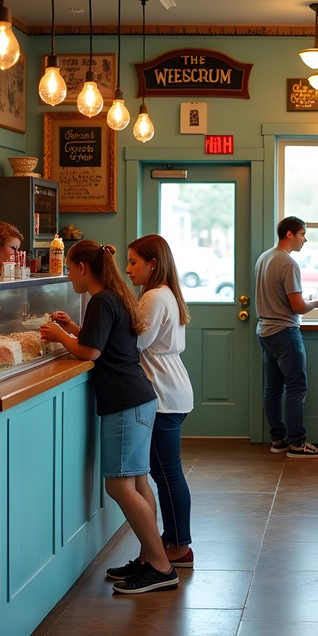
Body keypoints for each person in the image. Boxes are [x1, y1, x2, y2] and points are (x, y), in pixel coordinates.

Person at [39, 240, 177, 595]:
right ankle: (150, 557)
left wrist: (59, 335)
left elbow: (91, 350)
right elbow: (104, 340)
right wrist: (72, 327)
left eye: (70, 268)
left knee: (118, 485)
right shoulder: (116, 296)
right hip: (138, 397)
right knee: (138, 482)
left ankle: (161, 566)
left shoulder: (101, 300)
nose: (69, 276)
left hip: (123, 401)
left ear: (84, 268)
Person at [126, 235, 195, 569]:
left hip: (163, 394)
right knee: (166, 472)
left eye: (133, 262)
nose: (127, 270)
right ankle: (172, 541)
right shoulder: (162, 294)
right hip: (171, 389)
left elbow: (135, 343)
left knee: (166, 474)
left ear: (153, 263)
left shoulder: (154, 297)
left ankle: (179, 546)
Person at [255, 216, 318, 459]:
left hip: (265, 330)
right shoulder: (288, 263)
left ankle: (279, 439)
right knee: (297, 386)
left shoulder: (264, 258)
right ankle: (298, 444)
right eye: (302, 235)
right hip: (284, 331)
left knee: (273, 387)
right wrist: (316, 303)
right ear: (289, 234)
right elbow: (297, 306)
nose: (304, 239)